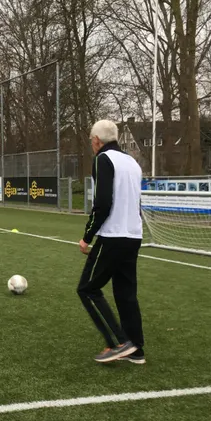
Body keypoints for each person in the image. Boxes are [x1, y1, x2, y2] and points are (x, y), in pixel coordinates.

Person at [77, 120, 144, 364]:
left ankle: (118, 342)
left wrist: (87, 236)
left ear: (97, 140)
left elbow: (102, 203)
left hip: (113, 235)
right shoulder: (132, 162)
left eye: (91, 140)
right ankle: (136, 350)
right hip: (133, 235)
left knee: (87, 289)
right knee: (126, 293)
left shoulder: (103, 159)